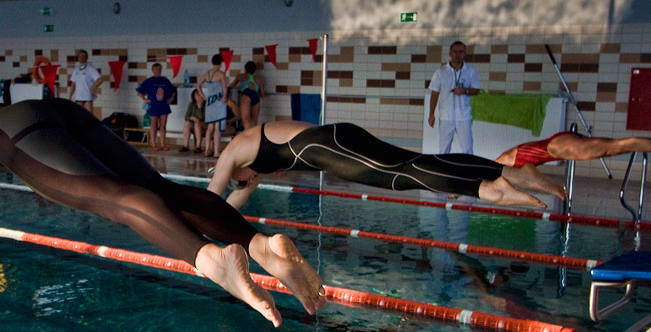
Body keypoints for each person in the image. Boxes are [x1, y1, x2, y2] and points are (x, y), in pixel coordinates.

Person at [0, 99, 326, 328]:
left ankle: (212, 261)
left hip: (15, 133)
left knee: (110, 197)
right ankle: (264, 247)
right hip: (54, 111)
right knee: (158, 187)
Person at [205, 121, 565, 210]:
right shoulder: (253, 164)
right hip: (338, 139)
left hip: (327, 146)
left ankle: (486, 189)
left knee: (402, 176)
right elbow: (231, 207)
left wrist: (194, 244)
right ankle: (504, 172)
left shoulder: (233, 152)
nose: (248, 182)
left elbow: (211, 201)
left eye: (242, 181)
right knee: (414, 165)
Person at [428, 41, 480, 154]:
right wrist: (431, 114)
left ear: (465, 53)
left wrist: (464, 91)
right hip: (446, 116)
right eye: (455, 52)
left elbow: (476, 90)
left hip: (463, 116)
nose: (458, 55)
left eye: (461, 52)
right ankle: (442, 166)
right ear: (450, 53)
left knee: (467, 149)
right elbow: (434, 93)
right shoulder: (441, 72)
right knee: (444, 150)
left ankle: (468, 166)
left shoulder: (470, 71)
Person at [496, 131, 651, 168]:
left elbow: (529, 176)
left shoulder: (503, 164)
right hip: (558, 144)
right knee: (615, 147)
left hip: (558, 148)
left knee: (615, 147)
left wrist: (554, 189)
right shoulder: (502, 161)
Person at [136, 63, 177, 151]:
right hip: (153, 106)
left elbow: (173, 91)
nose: (158, 71)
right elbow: (139, 91)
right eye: (156, 69)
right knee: (154, 125)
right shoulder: (149, 81)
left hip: (164, 106)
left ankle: (162, 144)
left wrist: (171, 99)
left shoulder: (165, 80)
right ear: (153, 70)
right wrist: (145, 100)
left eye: (159, 69)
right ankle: (153, 144)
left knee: (163, 126)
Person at [197, 54, 228, 158]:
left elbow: (198, 86)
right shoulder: (221, 74)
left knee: (210, 128)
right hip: (218, 102)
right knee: (217, 128)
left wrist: (204, 97)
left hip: (209, 103)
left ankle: (207, 150)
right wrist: (224, 98)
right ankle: (216, 152)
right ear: (221, 62)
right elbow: (225, 88)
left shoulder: (206, 74)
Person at [229, 61, 264, 131]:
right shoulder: (258, 79)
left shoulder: (240, 76)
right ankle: (253, 136)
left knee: (245, 119)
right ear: (254, 70)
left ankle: (248, 135)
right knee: (254, 120)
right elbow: (262, 94)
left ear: (245, 68)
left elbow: (231, 86)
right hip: (255, 96)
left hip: (246, 95)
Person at [68, 49, 103, 113]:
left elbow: (100, 79)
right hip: (78, 97)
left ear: (87, 58)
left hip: (87, 97)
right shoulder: (76, 70)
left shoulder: (90, 69)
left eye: (83, 56)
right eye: (80, 57)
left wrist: (93, 88)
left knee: (89, 115)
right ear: (78, 58)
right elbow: (73, 83)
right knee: (79, 116)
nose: (82, 58)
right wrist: (70, 96)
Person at [180, 88, 205, 153]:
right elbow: (186, 116)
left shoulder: (205, 104)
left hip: (204, 125)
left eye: (199, 94)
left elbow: (202, 118)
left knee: (197, 123)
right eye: (197, 94)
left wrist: (200, 107)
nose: (199, 95)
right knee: (187, 123)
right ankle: (186, 145)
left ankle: (198, 146)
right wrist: (192, 118)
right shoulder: (192, 104)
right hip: (194, 124)